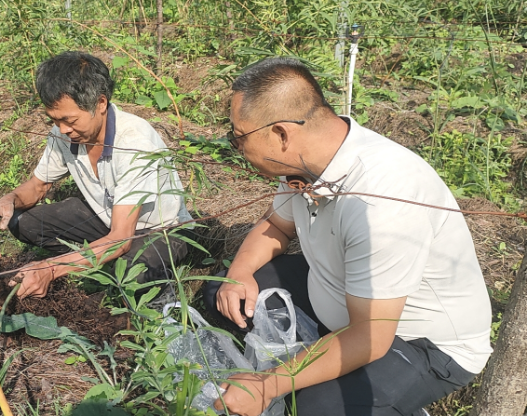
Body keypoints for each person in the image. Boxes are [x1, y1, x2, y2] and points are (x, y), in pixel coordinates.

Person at [203, 57, 492, 416]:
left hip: (417, 341)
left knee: (311, 408)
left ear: (280, 133)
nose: (235, 145)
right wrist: (238, 274)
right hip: (341, 294)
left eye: (239, 136)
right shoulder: (304, 161)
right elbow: (277, 225)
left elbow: (370, 336)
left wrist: (269, 384)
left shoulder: (382, 202)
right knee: (223, 293)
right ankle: (320, 358)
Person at [0, 51, 191, 299]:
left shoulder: (134, 142)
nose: (63, 129)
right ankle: (92, 259)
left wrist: (51, 269)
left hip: (158, 230)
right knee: (22, 223)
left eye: (69, 120)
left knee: (130, 276)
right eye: (55, 120)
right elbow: (38, 186)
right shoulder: (63, 133)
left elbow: (120, 238)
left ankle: (117, 268)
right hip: (107, 221)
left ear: (100, 104)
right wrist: (9, 200)